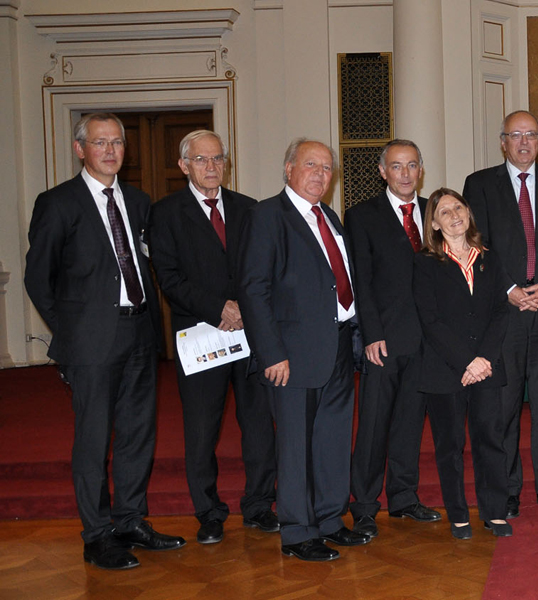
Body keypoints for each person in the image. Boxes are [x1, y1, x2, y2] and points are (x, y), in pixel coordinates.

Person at [25, 113, 186, 570]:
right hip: (90, 342)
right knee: (94, 439)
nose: (111, 151)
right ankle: (96, 535)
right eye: (101, 143)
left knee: (138, 434)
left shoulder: (137, 200)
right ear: (81, 149)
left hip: (139, 332)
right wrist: (71, 334)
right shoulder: (57, 203)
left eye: (117, 142)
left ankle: (130, 521)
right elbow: (39, 279)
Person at [238, 139, 370, 561]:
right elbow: (253, 290)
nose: (320, 174)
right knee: (295, 445)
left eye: (327, 168)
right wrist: (271, 353)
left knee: (331, 439)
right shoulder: (266, 215)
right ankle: (297, 531)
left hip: (336, 346)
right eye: (311, 164)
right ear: (289, 168)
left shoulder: (328, 216)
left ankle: (330, 520)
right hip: (290, 356)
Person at [149, 129, 278, 545]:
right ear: (184, 165)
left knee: (258, 424)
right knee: (201, 428)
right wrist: (218, 308)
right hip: (201, 335)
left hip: (250, 334)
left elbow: (263, 269)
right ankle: (208, 512)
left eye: (218, 159)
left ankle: (259, 505)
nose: (211, 167)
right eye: (201, 160)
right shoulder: (165, 213)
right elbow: (168, 278)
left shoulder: (248, 208)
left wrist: (244, 309)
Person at [464, 111, 538, 519]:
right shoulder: (479, 184)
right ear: (503, 141)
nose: (524, 143)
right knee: (505, 406)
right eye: (516, 136)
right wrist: (511, 289)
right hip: (504, 311)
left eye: (531, 135)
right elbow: (476, 244)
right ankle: (508, 489)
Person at [344, 139, 442, 537]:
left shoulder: (435, 213)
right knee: (373, 425)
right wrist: (371, 335)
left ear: (421, 170)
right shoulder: (361, 216)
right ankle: (365, 504)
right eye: (396, 166)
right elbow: (361, 282)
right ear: (382, 172)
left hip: (427, 341)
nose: (405, 174)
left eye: (412, 165)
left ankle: (403, 497)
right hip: (383, 340)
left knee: (408, 423)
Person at [413, 189, 513, 539]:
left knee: (490, 440)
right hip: (445, 370)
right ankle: (458, 514)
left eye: (458, 207)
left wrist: (483, 358)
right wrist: (467, 361)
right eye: (444, 211)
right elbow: (430, 320)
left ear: (468, 212)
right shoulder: (425, 262)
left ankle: (494, 511)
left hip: (486, 367)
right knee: (449, 445)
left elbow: (501, 311)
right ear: (435, 224)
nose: (454, 214)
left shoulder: (489, 258)